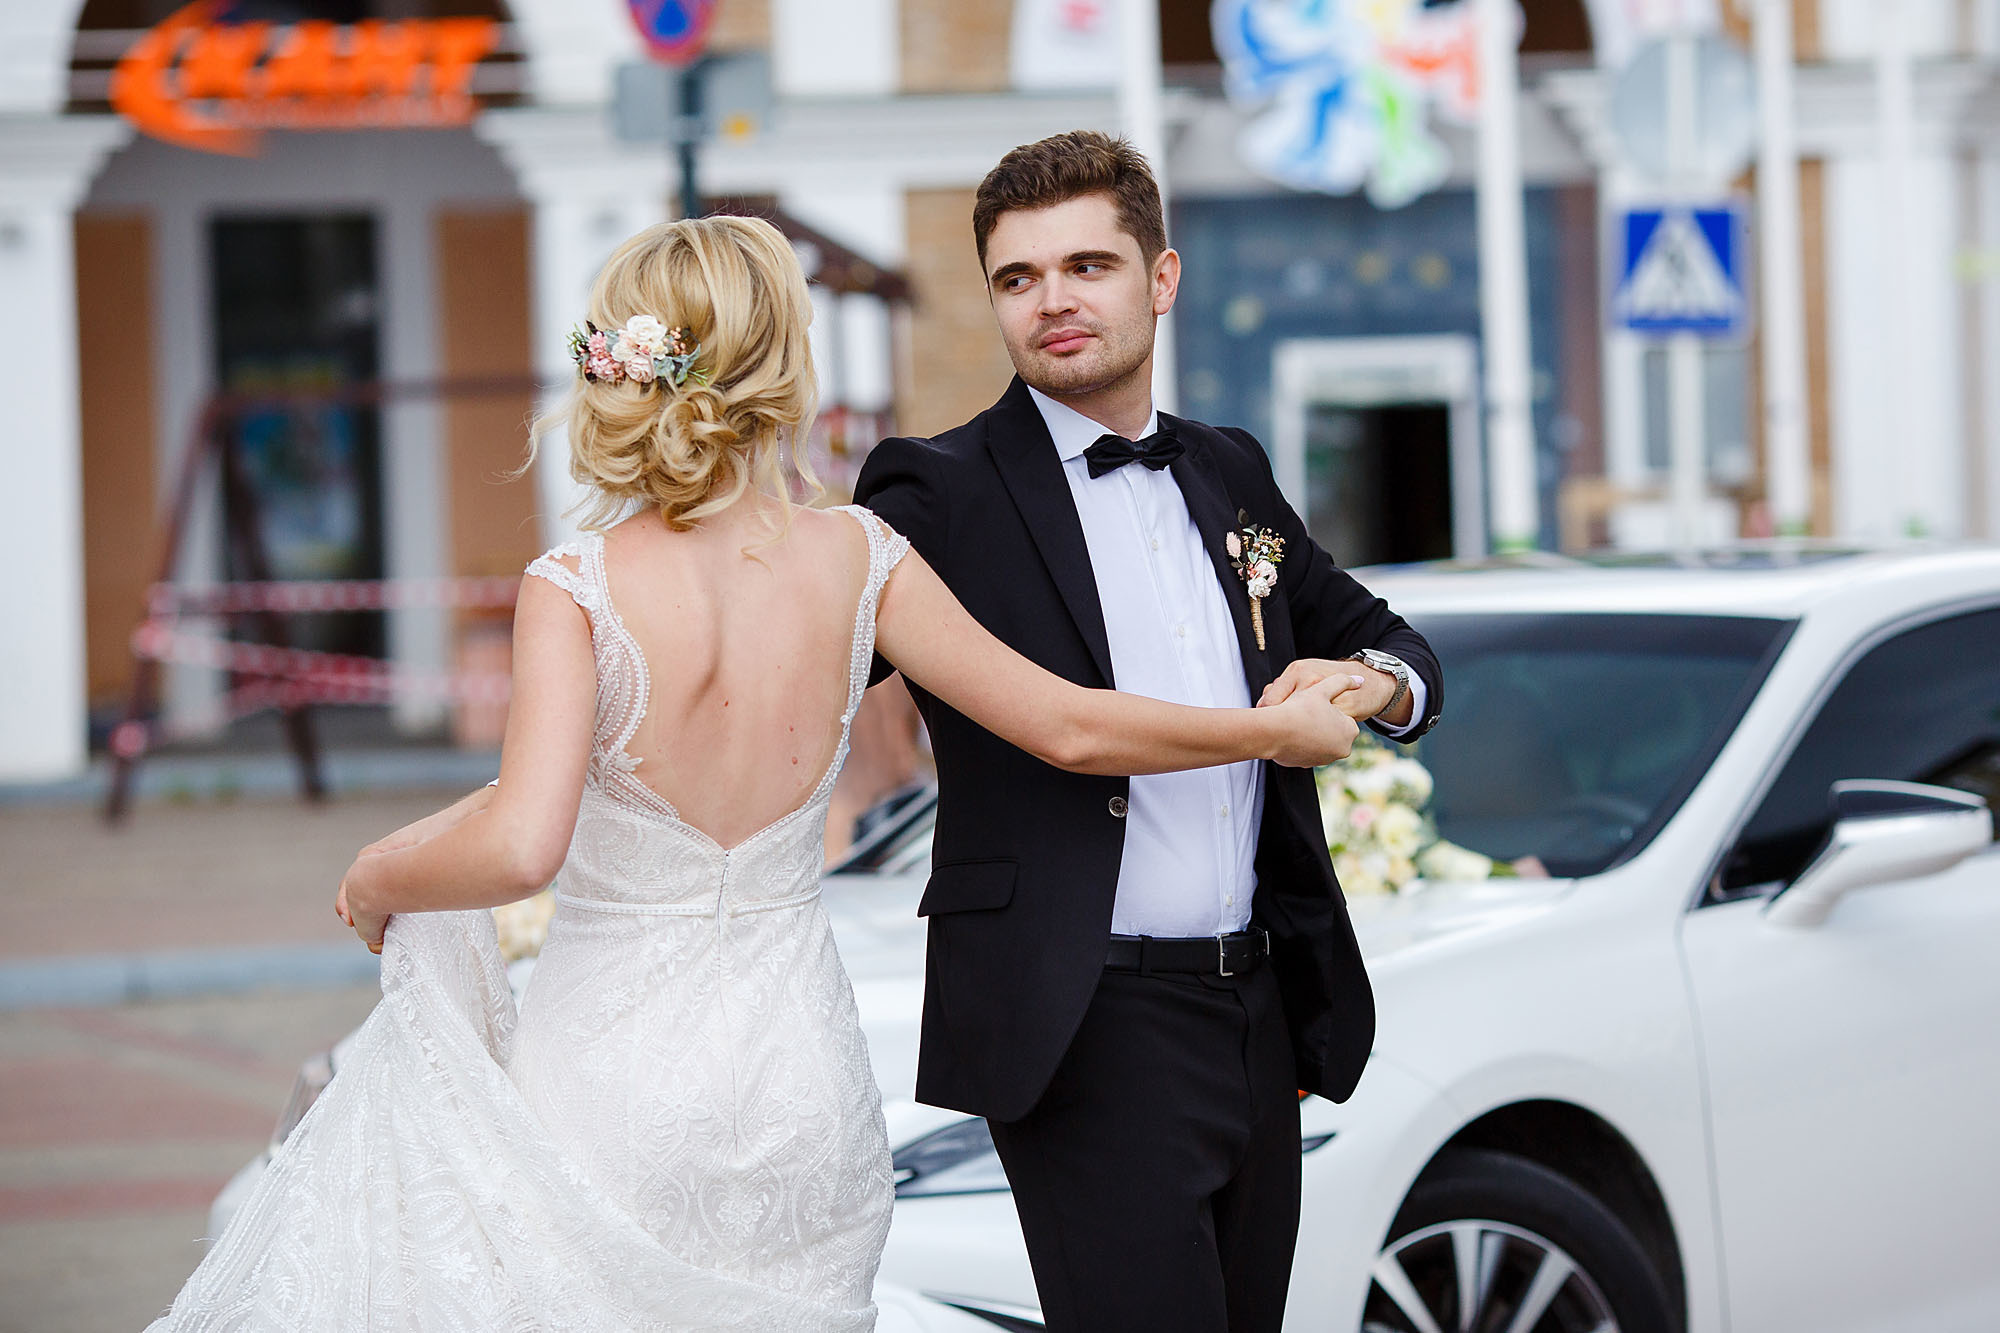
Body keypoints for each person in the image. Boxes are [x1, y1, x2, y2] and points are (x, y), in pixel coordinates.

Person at [145, 216, 1366, 1332]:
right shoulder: (860, 556)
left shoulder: (575, 585)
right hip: (798, 1083)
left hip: (615, 1077)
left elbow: (524, 839)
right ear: (784, 361)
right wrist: (1263, 732)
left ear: (627, 365)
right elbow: (1069, 725)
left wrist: (376, 871)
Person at [852, 131, 1445, 1333]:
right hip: (1079, 1015)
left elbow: (1393, 644)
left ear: (1160, 278)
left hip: (1253, 1003)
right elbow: (800, 671)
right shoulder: (933, 488)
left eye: (1087, 265)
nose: (1053, 301)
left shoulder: (1227, 470)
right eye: (1018, 278)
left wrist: (1361, 688)